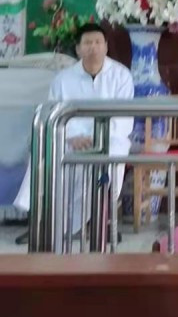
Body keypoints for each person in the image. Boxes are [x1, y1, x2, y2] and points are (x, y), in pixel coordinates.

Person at [14, 22, 134, 244]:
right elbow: (53, 113)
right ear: (78, 49)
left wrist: (96, 138)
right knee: (43, 154)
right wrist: (72, 137)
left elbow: (123, 118)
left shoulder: (121, 76)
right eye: (87, 43)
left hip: (110, 138)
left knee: (108, 160)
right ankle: (41, 223)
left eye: (98, 42)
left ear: (106, 46)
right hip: (70, 138)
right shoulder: (63, 79)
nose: (93, 47)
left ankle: (95, 222)